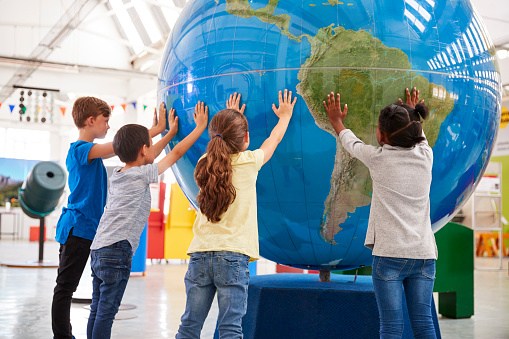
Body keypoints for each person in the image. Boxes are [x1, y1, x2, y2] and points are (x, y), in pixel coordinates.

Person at [175, 90, 297, 339]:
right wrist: (284, 117)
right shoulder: (250, 162)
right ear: (246, 138)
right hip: (232, 257)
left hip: (200, 253)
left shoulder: (203, 163)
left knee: (189, 326)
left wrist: (234, 118)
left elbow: (223, 150)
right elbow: (272, 140)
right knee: (230, 328)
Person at [86, 101, 208, 339]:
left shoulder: (120, 175)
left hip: (98, 248)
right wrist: (199, 128)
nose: (154, 148)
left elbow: (151, 155)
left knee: (97, 308)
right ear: (143, 149)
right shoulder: (141, 175)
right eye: (151, 145)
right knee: (107, 312)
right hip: (116, 249)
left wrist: (170, 132)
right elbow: (175, 153)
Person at [324, 87, 438, 339]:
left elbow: (351, 143)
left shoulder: (378, 158)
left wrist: (336, 122)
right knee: (423, 323)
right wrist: (410, 114)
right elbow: (420, 137)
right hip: (424, 256)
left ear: (382, 137)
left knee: (391, 326)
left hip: (389, 256)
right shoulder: (425, 155)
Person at [51, 97, 167, 339]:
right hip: (77, 228)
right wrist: (155, 130)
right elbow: (122, 146)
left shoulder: (90, 153)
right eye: (105, 121)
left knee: (85, 297)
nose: (107, 127)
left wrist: (156, 134)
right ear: (90, 120)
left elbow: (128, 147)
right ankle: (62, 336)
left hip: (90, 230)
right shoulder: (81, 149)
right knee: (65, 288)